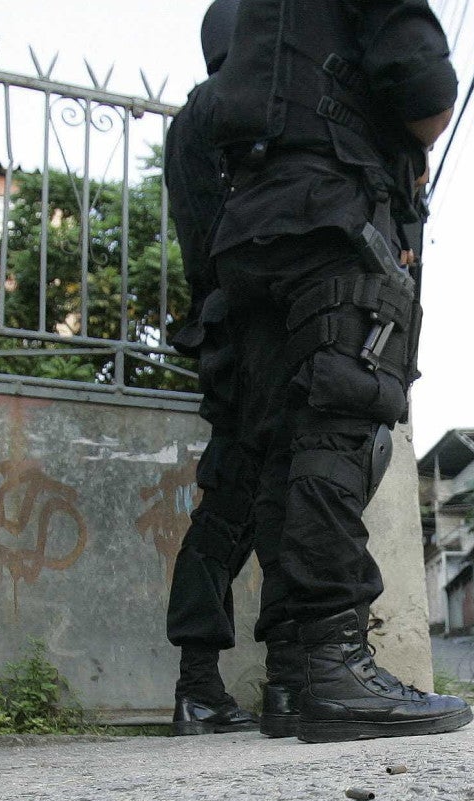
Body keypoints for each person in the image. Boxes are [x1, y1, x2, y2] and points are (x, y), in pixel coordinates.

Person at [209, 0, 471, 742]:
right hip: (328, 213)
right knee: (338, 426)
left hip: (251, 230)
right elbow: (421, 89)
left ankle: (292, 676)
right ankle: (336, 668)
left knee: (277, 447)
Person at [163, 0, 260, 736]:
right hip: (259, 321)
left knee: (234, 500)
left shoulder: (193, 117)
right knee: (282, 492)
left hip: (227, 327)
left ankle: (200, 682)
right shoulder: (241, 100)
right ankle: (292, 671)